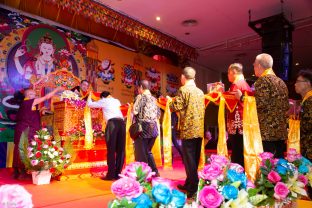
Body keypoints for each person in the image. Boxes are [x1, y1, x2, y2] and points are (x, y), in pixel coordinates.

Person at [237, 53, 289, 158]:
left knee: (268, 166)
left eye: (254, 64)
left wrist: (241, 97)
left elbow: (259, 103)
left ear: (259, 66)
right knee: (279, 164)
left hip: (267, 132)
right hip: (280, 132)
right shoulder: (281, 82)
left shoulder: (263, 80)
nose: (254, 67)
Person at [168, 67, 205, 198]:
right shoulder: (200, 92)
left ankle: (193, 188)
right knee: (193, 160)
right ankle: (189, 184)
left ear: (183, 77)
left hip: (188, 130)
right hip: (199, 129)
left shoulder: (183, 90)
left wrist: (168, 101)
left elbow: (175, 106)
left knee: (189, 161)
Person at [13, 86, 63, 179]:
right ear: (27, 95)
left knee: (21, 149)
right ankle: (23, 171)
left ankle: (19, 172)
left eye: (35, 94)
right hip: (26, 130)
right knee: (25, 149)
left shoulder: (27, 103)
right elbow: (47, 97)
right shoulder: (28, 101)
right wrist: (57, 89)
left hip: (24, 130)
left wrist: (39, 111)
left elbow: (30, 115)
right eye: (32, 94)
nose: (35, 96)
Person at [87, 91, 126, 180]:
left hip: (112, 124)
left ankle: (110, 175)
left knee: (111, 149)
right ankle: (118, 174)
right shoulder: (117, 100)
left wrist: (90, 94)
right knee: (121, 150)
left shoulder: (104, 100)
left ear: (103, 97)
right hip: (122, 124)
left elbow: (90, 104)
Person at [133, 80, 161, 176]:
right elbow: (158, 115)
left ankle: (142, 177)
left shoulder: (141, 97)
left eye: (138, 88)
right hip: (153, 130)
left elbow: (135, 111)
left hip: (143, 129)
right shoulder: (154, 99)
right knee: (147, 152)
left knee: (141, 155)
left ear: (141, 87)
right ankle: (155, 172)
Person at [226, 63, 251, 168]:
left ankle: (237, 177)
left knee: (237, 152)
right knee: (240, 150)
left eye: (228, 73)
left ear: (234, 72)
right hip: (244, 121)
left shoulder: (237, 84)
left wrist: (220, 95)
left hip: (237, 123)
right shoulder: (245, 84)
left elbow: (231, 103)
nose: (228, 75)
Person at [294, 69, 312, 161]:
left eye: (298, 81)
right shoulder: (306, 100)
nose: (295, 84)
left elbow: (307, 125)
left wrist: (293, 125)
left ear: (308, 83)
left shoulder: (310, 100)